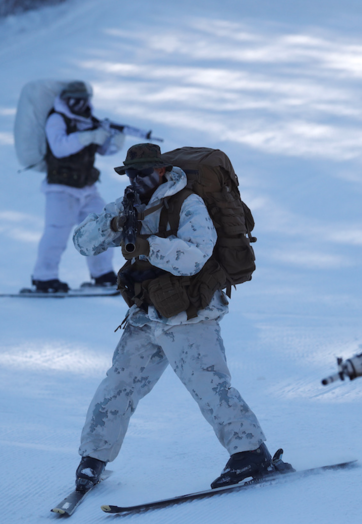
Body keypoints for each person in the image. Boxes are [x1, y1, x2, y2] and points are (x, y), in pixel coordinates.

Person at [69, 143, 277, 493]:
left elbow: (195, 257)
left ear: (163, 170)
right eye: (131, 173)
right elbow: (82, 243)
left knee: (208, 384)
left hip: (189, 315)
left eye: (146, 172)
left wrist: (149, 246)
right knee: (118, 385)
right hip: (146, 315)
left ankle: (250, 452)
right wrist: (115, 224)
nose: (138, 179)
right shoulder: (128, 203)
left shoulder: (188, 203)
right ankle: (93, 458)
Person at [30, 80, 122, 293]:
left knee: (102, 228)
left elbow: (103, 149)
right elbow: (59, 147)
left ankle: (103, 273)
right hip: (61, 189)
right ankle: (44, 277)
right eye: (75, 100)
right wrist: (88, 136)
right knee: (56, 233)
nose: (80, 104)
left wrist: (115, 140)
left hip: (87, 189)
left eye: (83, 100)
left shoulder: (89, 120)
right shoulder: (57, 119)